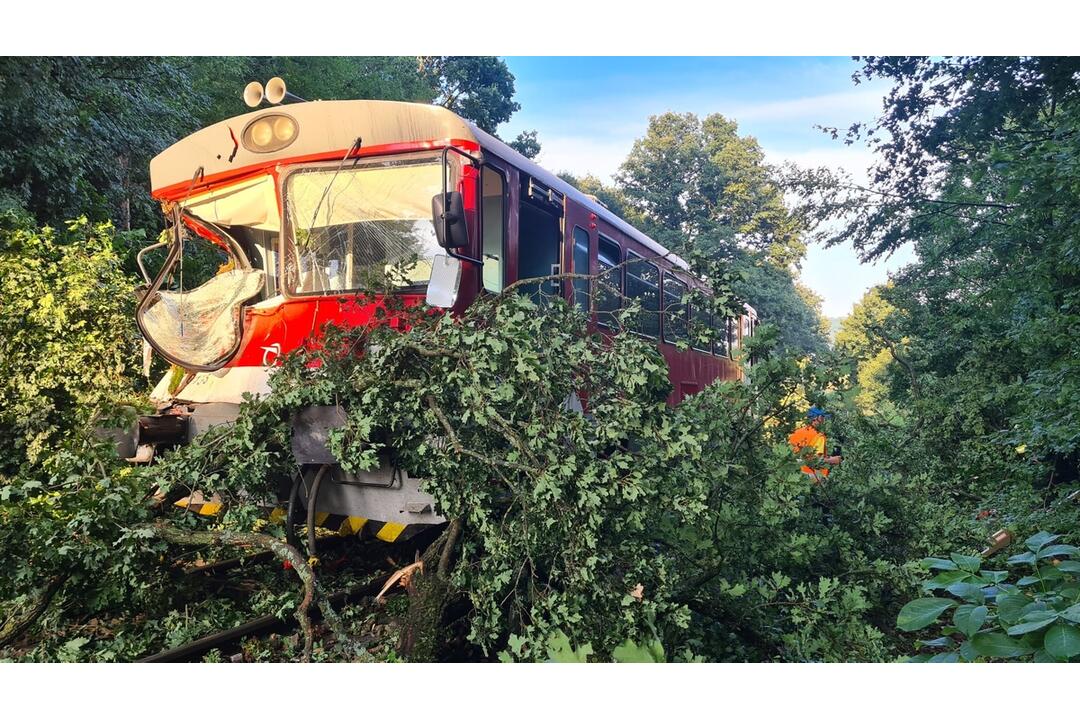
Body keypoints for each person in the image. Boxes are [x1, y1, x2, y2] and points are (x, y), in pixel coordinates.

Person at [788, 407, 842, 483]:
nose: (823, 421)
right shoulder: (819, 436)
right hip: (811, 475)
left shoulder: (797, 432)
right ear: (815, 418)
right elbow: (816, 460)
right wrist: (833, 460)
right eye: (822, 418)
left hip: (793, 474)